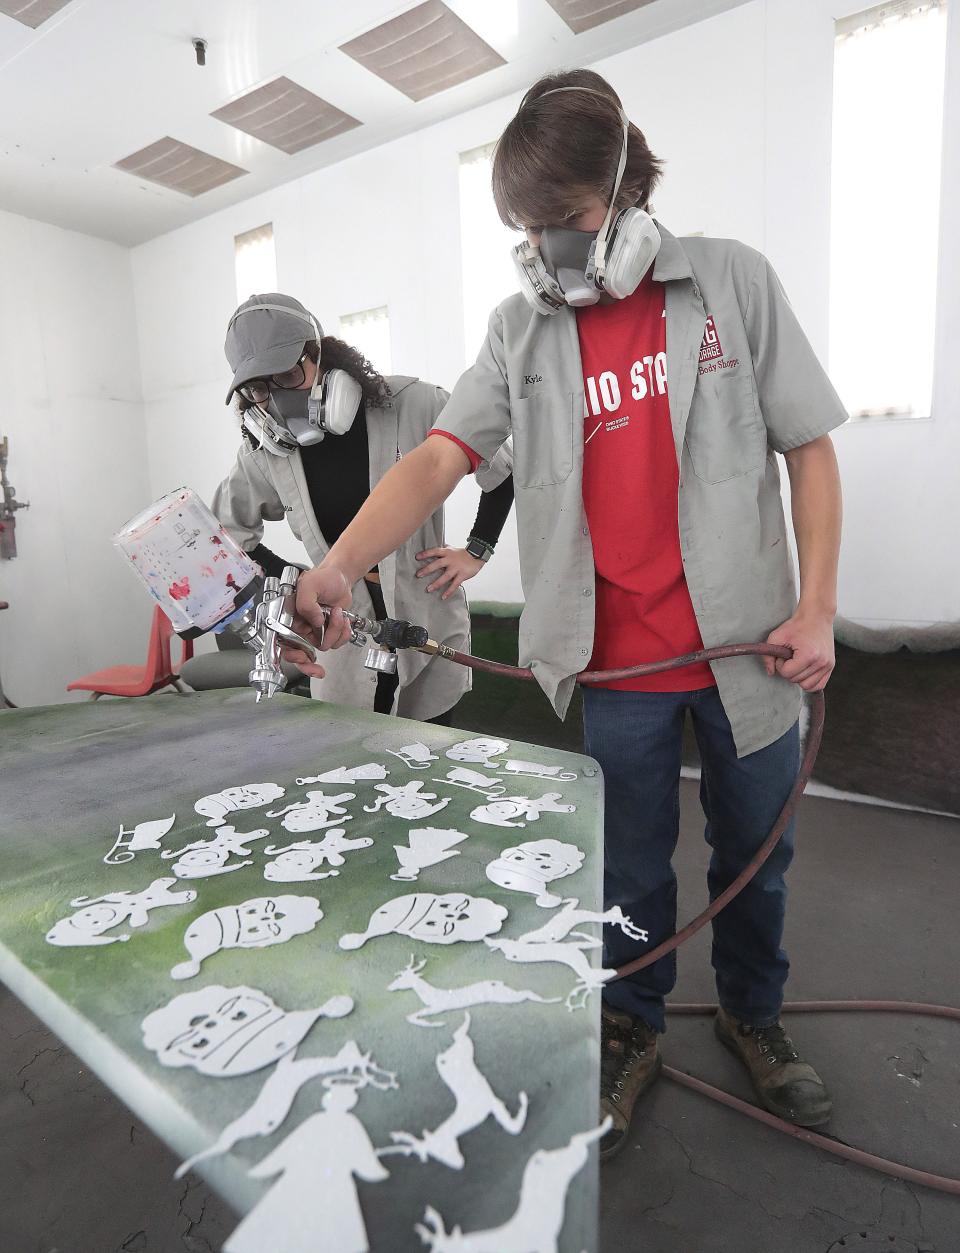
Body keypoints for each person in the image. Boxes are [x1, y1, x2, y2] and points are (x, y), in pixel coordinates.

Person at [283, 69, 846, 1158]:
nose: (551, 251)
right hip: (614, 666)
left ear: (627, 194)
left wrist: (819, 607)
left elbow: (810, 449)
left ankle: (753, 1014)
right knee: (625, 868)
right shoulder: (519, 330)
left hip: (751, 654)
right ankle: (630, 1027)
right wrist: (342, 564)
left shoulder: (730, 283)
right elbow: (440, 454)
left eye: (570, 223)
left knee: (752, 858)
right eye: (528, 232)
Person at [212, 293, 514, 724]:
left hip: (427, 621)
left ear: (319, 353)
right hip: (337, 638)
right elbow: (227, 533)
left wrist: (477, 550)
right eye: (259, 388)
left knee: (430, 763)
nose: (276, 398)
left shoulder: (417, 404)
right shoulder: (264, 454)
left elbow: (502, 470)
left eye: (288, 374)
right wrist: (298, 583)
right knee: (350, 766)